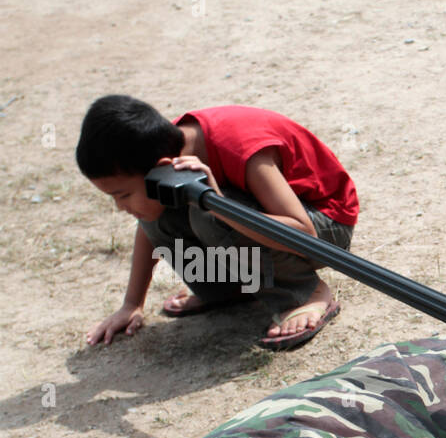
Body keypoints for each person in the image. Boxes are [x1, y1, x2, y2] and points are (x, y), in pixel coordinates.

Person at [75, 95, 359, 350]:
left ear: (161, 166)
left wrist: (219, 204)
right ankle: (228, 289)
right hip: (277, 223)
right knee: (161, 210)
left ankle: (305, 293)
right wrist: (132, 304)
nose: (120, 207)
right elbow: (147, 225)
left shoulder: (240, 148)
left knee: (207, 212)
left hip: (325, 225)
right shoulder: (162, 149)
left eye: (123, 195)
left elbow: (304, 232)